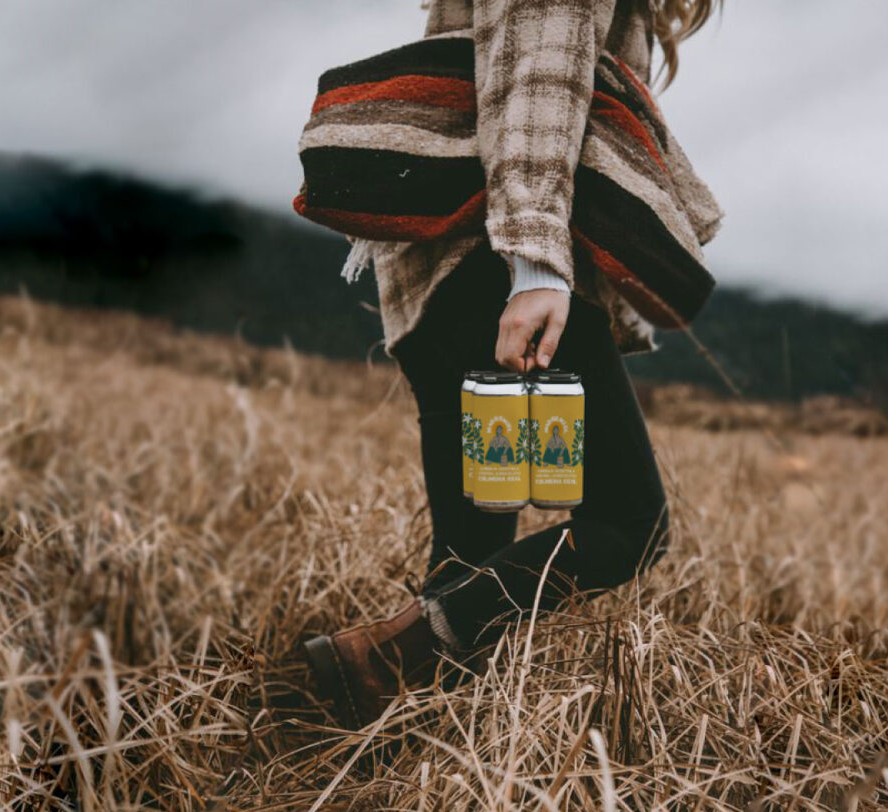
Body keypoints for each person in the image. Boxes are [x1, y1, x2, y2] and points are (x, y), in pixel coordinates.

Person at [303, 0, 724, 729]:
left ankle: (388, 758)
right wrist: (536, 265)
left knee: (471, 552)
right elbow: (539, 72)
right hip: (499, 271)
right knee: (629, 522)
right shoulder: (525, 269)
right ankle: (374, 661)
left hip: (450, 271)